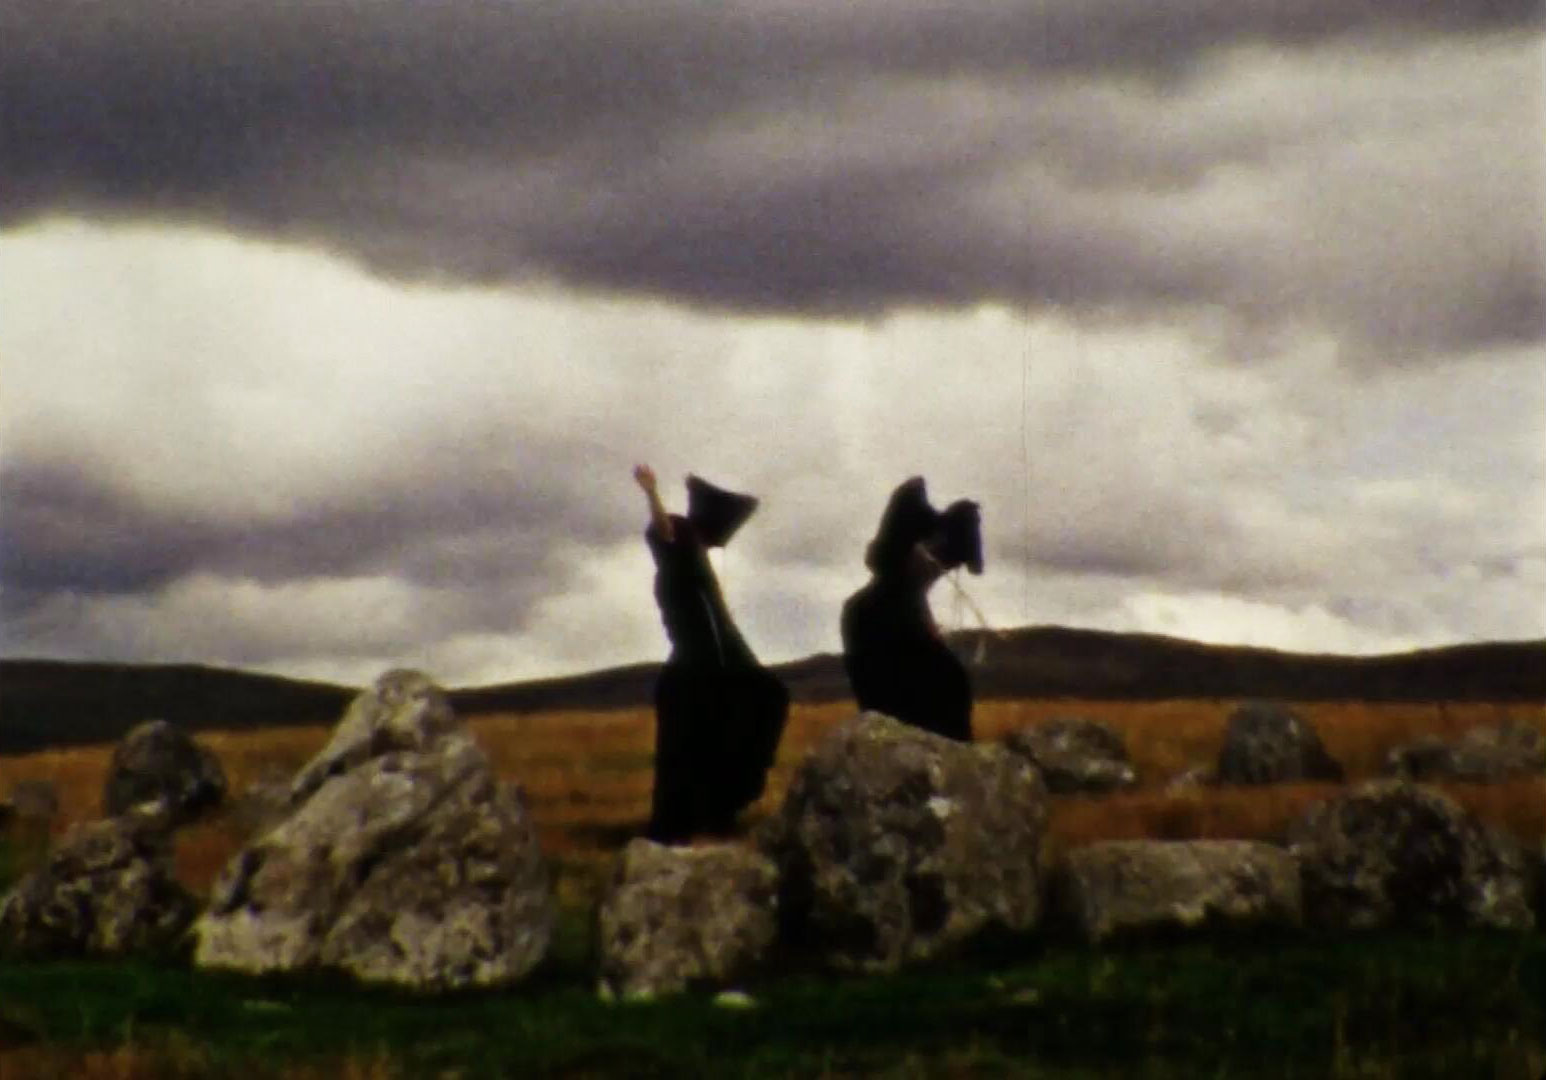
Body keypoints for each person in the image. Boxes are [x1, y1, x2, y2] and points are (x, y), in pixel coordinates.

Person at [634, 464, 789, 843]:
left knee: (755, 707)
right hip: (698, 670)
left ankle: (714, 811)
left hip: (709, 667)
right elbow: (665, 530)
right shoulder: (683, 546)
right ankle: (706, 814)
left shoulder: (693, 558)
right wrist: (652, 492)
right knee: (739, 716)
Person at [840, 477, 983, 741]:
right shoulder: (881, 613)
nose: (940, 573)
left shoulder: (863, 609)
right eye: (942, 563)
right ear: (919, 550)